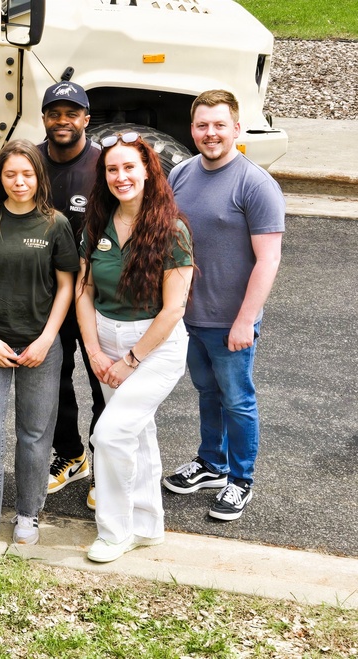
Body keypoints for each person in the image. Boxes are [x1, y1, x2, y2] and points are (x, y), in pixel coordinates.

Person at [164, 90, 285, 521]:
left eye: (219, 125)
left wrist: (245, 320)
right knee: (206, 392)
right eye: (202, 125)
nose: (210, 133)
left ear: (236, 128)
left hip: (230, 321)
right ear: (192, 129)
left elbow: (268, 259)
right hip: (188, 317)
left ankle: (240, 480)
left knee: (238, 400)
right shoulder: (181, 174)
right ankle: (211, 463)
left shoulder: (255, 183)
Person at [0, 140, 78, 542]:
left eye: (27, 173)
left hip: (40, 345)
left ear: (39, 177)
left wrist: (46, 339)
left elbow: (66, 285)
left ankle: (28, 514)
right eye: (10, 174)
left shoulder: (55, 223)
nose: (19, 181)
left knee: (35, 433)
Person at [75, 131, 193, 563]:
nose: (121, 176)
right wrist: (94, 351)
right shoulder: (97, 224)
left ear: (147, 171)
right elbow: (84, 291)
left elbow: (173, 309)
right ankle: (147, 526)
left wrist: (129, 361)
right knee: (138, 434)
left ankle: (113, 532)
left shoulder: (173, 230)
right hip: (105, 341)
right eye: (112, 169)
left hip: (154, 348)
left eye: (129, 167)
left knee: (109, 434)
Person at [37, 81, 106, 510]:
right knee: (54, 380)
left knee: (104, 381)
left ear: (86, 119)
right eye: (54, 113)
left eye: (71, 113)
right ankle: (71, 455)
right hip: (46, 295)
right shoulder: (31, 160)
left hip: (97, 294)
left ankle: (106, 465)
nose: (62, 121)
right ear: (44, 118)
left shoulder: (102, 165)